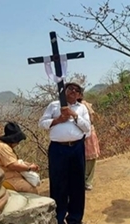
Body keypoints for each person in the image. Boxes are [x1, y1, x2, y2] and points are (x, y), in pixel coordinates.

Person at [39, 82, 91, 224]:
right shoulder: (54, 106)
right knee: (58, 183)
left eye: (76, 90)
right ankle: (58, 218)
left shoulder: (81, 108)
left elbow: (87, 128)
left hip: (76, 148)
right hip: (58, 149)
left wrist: (74, 115)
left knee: (77, 183)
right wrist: (58, 120)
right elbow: (42, 123)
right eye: (70, 89)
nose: (73, 92)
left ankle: (75, 218)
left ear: (80, 95)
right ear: (64, 91)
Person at [0, 122, 40, 194]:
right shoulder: (2, 147)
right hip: (6, 178)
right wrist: (29, 168)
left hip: (9, 176)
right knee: (31, 191)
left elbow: (15, 161)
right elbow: (12, 165)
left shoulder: (2, 146)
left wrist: (27, 164)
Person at [78, 94, 100, 191]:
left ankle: (88, 181)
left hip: (88, 133)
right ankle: (84, 180)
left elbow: (92, 118)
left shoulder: (84, 104)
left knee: (91, 157)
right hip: (78, 134)